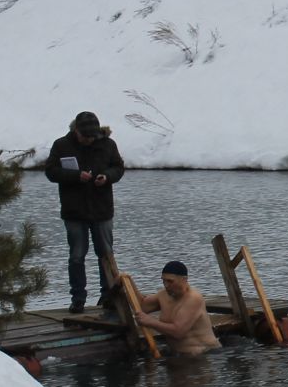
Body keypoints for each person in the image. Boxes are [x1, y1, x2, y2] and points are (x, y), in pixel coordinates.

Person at [42, 111, 126, 313]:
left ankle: (108, 296)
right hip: (74, 211)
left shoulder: (108, 144)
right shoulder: (61, 145)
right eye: (85, 137)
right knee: (77, 255)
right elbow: (51, 172)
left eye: (92, 137)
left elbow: (118, 168)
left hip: (102, 210)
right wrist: (75, 176)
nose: (89, 140)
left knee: (106, 254)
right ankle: (78, 298)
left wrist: (106, 177)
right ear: (76, 131)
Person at [134, 260, 220, 355]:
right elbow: (141, 306)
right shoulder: (163, 295)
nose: (166, 285)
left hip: (204, 354)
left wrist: (150, 322)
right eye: (164, 281)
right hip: (178, 354)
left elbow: (178, 332)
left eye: (170, 281)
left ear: (184, 279)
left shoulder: (193, 298)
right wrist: (126, 281)